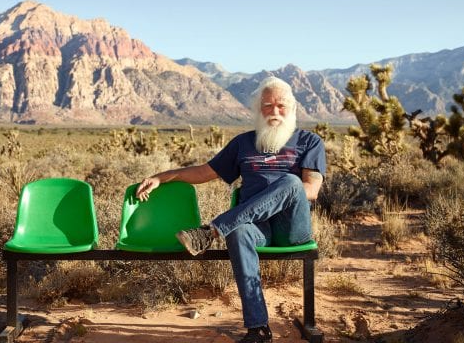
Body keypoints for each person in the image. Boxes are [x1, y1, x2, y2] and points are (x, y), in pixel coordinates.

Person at [136, 76, 326, 343]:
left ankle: (211, 231)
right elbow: (204, 172)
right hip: (257, 228)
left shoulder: (309, 141)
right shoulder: (244, 143)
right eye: (267, 105)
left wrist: (284, 189)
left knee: (292, 182)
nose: (274, 111)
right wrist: (161, 176)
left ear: (292, 107)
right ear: (258, 109)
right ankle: (258, 328)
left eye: (281, 105)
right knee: (238, 233)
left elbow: (311, 190)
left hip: (291, 226)